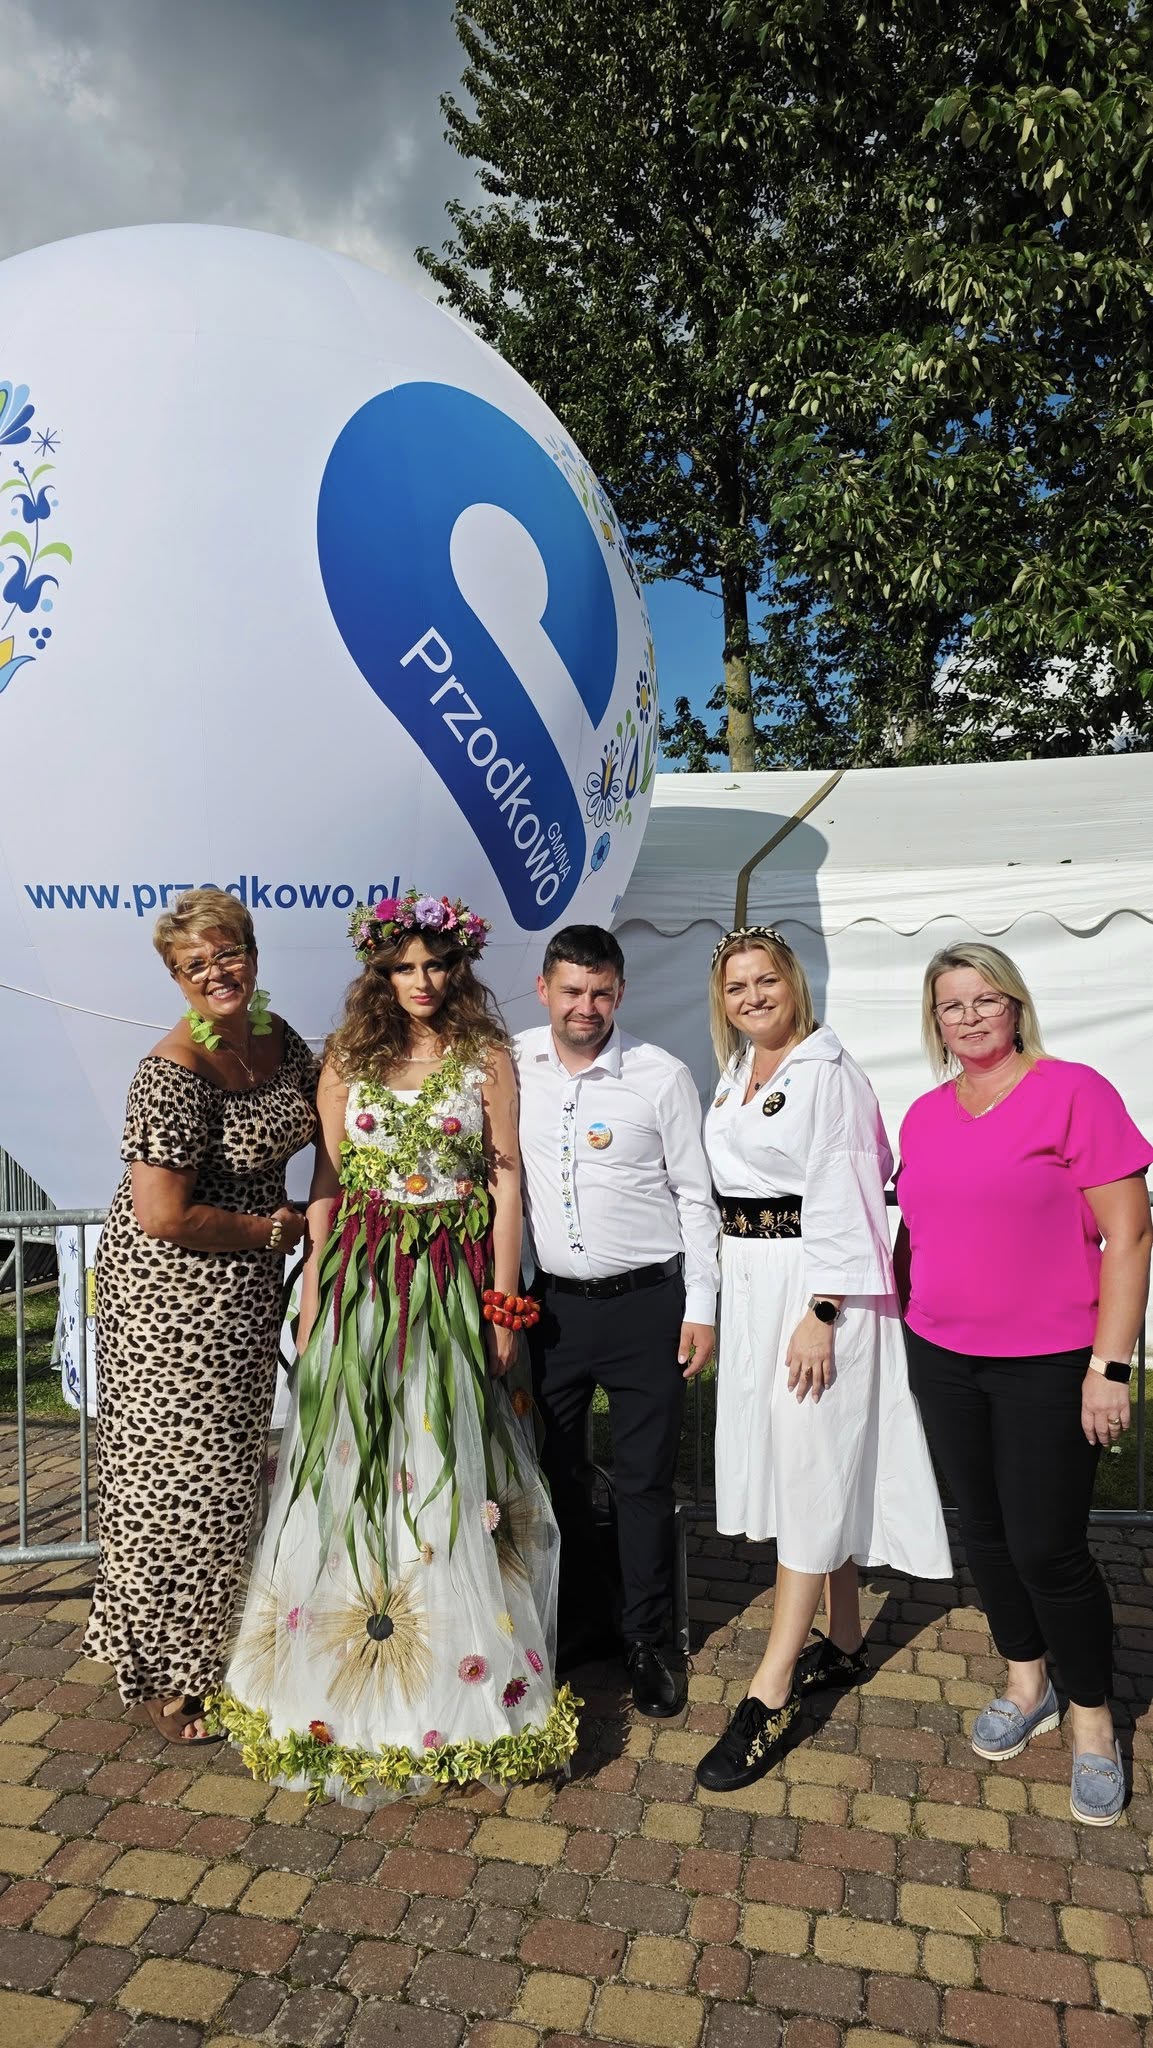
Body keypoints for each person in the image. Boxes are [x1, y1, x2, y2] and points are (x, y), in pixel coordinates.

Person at [215, 889, 573, 1799]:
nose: (422, 980)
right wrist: (314, 1296)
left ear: (458, 969)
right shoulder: (348, 1055)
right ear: (380, 972)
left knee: (442, 1455)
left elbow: (505, 1179)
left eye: (436, 965)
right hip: (365, 1282)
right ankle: (347, 1676)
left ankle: (457, 1682)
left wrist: (502, 1301)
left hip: (450, 1280)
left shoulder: (485, 1055)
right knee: (356, 1457)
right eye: (404, 966)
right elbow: (328, 1181)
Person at [897, 941, 1153, 1826]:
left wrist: (1110, 1367)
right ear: (934, 1021)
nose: (968, 1017)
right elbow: (917, 1232)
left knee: (1048, 1547)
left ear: (1013, 1005)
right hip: (942, 1355)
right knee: (986, 1532)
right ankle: (1025, 1679)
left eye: (984, 1000)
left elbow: (1130, 1235)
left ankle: (1091, 1718)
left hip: (1050, 1361)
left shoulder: (1073, 1092)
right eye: (950, 1005)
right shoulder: (924, 1114)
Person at [694, 926, 951, 1793]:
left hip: (814, 1289)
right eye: (736, 987)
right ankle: (841, 1639)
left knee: (809, 1461)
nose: (753, 997)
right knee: (802, 1459)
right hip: (756, 1280)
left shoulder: (827, 1072)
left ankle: (769, 1692)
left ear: (793, 983)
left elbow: (847, 1192)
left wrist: (823, 1310)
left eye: (765, 980)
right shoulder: (739, 1071)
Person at [84, 889, 316, 1743]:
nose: (217, 973)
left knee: (228, 1478)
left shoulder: (277, 1036)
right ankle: (162, 1673)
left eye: (228, 954)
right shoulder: (171, 1072)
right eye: (195, 965)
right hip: (168, 1304)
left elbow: (332, 1103)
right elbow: (162, 1214)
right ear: (175, 978)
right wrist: (273, 1230)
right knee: (174, 1488)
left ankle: (212, 1649)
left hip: (240, 1296)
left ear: (252, 954)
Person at [515, 925, 720, 1719]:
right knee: (555, 1471)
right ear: (544, 990)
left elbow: (694, 1196)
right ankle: (584, 1619)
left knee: (641, 1481)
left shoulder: (660, 1076)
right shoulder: (512, 1068)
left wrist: (700, 1308)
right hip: (553, 1311)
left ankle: (646, 1638)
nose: (586, 1006)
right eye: (571, 990)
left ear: (620, 993)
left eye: (600, 992)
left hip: (646, 1307)